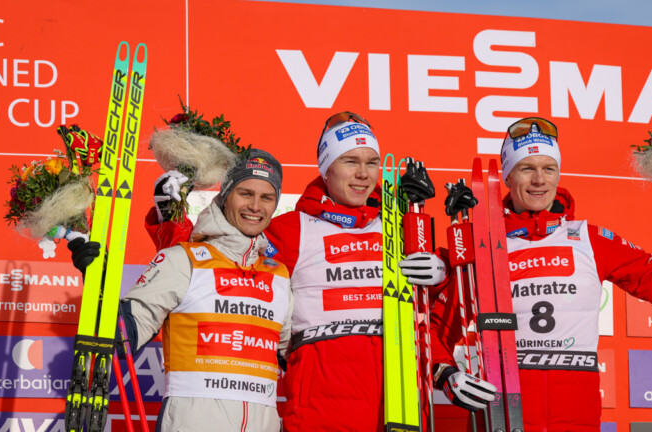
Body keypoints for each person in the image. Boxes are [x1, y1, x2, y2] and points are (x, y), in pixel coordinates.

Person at [147, 112, 497, 431]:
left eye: (372, 162)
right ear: (325, 167)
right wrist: (171, 219)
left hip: (398, 403)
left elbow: (425, 324)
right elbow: (218, 263)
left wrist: (446, 284)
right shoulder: (291, 229)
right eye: (350, 161)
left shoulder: (400, 228)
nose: (363, 174)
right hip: (319, 405)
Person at [439, 117, 652, 432]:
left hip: (576, 415)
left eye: (549, 168)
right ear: (507, 175)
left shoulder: (590, 239)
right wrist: (445, 374)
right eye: (527, 168)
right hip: (506, 413)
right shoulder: (482, 244)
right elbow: (437, 327)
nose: (539, 180)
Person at [70, 149, 293, 431]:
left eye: (267, 197)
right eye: (245, 193)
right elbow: (122, 335)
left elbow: (297, 362)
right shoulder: (182, 260)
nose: (255, 206)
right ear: (225, 196)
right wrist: (95, 281)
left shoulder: (279, 275)